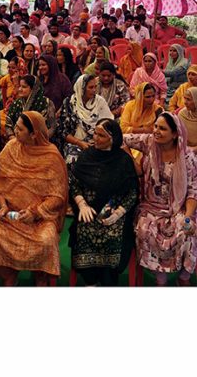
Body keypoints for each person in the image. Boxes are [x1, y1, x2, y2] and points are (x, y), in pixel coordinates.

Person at [0, 111, 68, 286]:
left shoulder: (51, 157)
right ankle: (9, 275)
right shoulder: (10, 148)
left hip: (40, 217)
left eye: (20, 129)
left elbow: (58, 197)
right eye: (15, 126)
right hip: (10, 213)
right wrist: (2, 206)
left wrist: (34, 212)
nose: (15, 131)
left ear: (34, 134)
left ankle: (40, 277)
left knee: (46, 240)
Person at [124, 113, 197, 286]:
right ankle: (160, 279)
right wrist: (134, 164)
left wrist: (187, 216)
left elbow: (193, 189)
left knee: (186, 231)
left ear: (175, 134)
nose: (156, 131)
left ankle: (184, 277)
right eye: (155, 126)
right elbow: (121, 138)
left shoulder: (187, 156)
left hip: (180, 206)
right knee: (145, 230)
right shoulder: (148, 143)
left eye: (162, 128)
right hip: (151, 206)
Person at [68, 118, 139, 286]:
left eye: (101, 135)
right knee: (85, 231)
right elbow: (74, 184)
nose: (95, 138)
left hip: (115, 212)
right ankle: (90, 281)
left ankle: (107, 280)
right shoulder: (86, 155)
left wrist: (118, 213)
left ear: (112, 138)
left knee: (112, 235)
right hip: (89, 210)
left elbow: (132, 192)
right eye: (95, 133)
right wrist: (82, 205)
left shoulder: (123, 160)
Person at [5, 75, 56, 140]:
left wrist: (40, 141)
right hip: (18, 141)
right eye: (19, 86)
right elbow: (8, 125)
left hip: (41, 142)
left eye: (24, 87)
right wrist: (13, 138)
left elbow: (52, 127)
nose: (20, 89)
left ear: (33, 89)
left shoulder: (46, 103)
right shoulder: (16, 104)